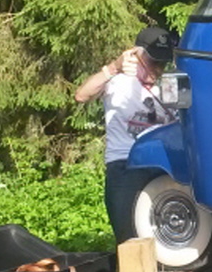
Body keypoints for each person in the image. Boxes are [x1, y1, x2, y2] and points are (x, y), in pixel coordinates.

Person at [75, 26, 179, 243]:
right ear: (135, 54)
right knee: (128, 238)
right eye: (152, 61)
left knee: (167, 238)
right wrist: (113, 68)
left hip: (162, 166)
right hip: (125, 164)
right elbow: (81, 95)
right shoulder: (117, 81)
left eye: (162, 64)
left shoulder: (167, 88)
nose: (157, 69)